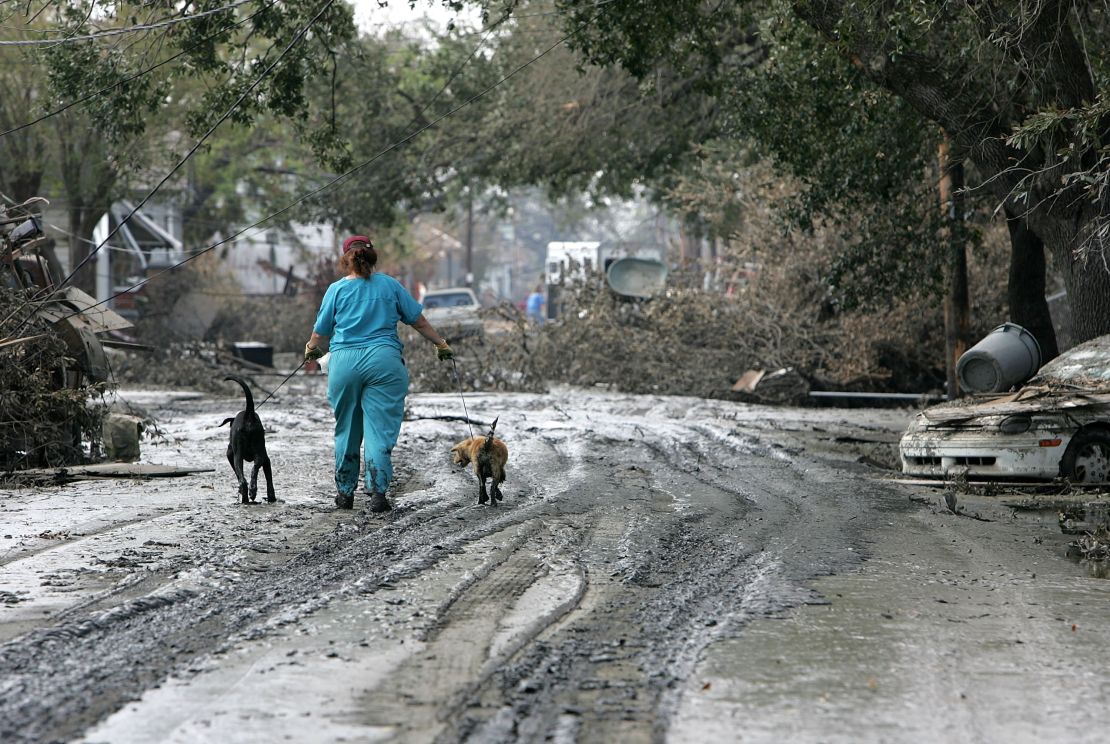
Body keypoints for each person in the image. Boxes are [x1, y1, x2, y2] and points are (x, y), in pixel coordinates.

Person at [304, 235, 453, 512]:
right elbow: (418, 321)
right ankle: (377, 495)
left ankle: (345, 494)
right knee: (378, 430)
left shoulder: (336, 290)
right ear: (372, 257)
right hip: (384, 361)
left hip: (344, 363)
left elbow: (320, 330)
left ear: (345, 258)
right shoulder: (390, 285)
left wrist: (311, 349)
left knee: (347, 428)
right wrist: (441, 344)